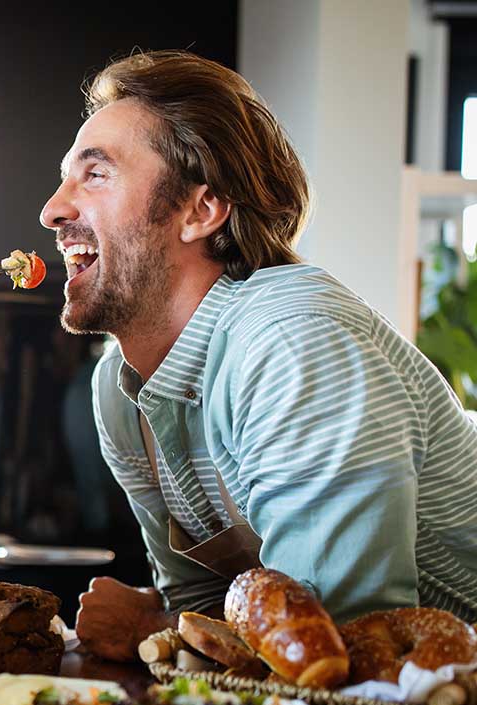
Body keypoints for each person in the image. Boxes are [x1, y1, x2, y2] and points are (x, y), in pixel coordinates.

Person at [39, 51, 477, 662]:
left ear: (201, 209)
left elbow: (342, 654)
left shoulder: (293, 342)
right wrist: (174, 623)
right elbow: (205, 608)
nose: (53, 210)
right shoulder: (119, 392)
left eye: (96, 175)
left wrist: (153, 630)